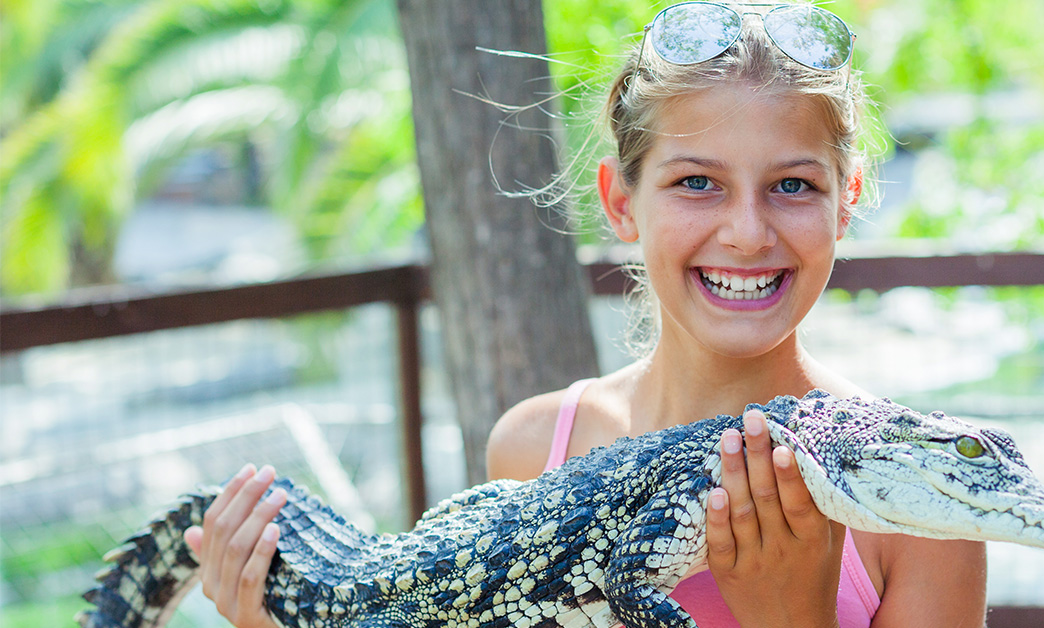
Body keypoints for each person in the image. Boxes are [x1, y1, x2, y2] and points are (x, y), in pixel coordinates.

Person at [184, 3, 987, 627]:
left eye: (794, 185)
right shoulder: (534, 447)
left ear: (844, 205)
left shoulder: (926, 503)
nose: (747, 231)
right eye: (696, 183)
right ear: (620, 202)